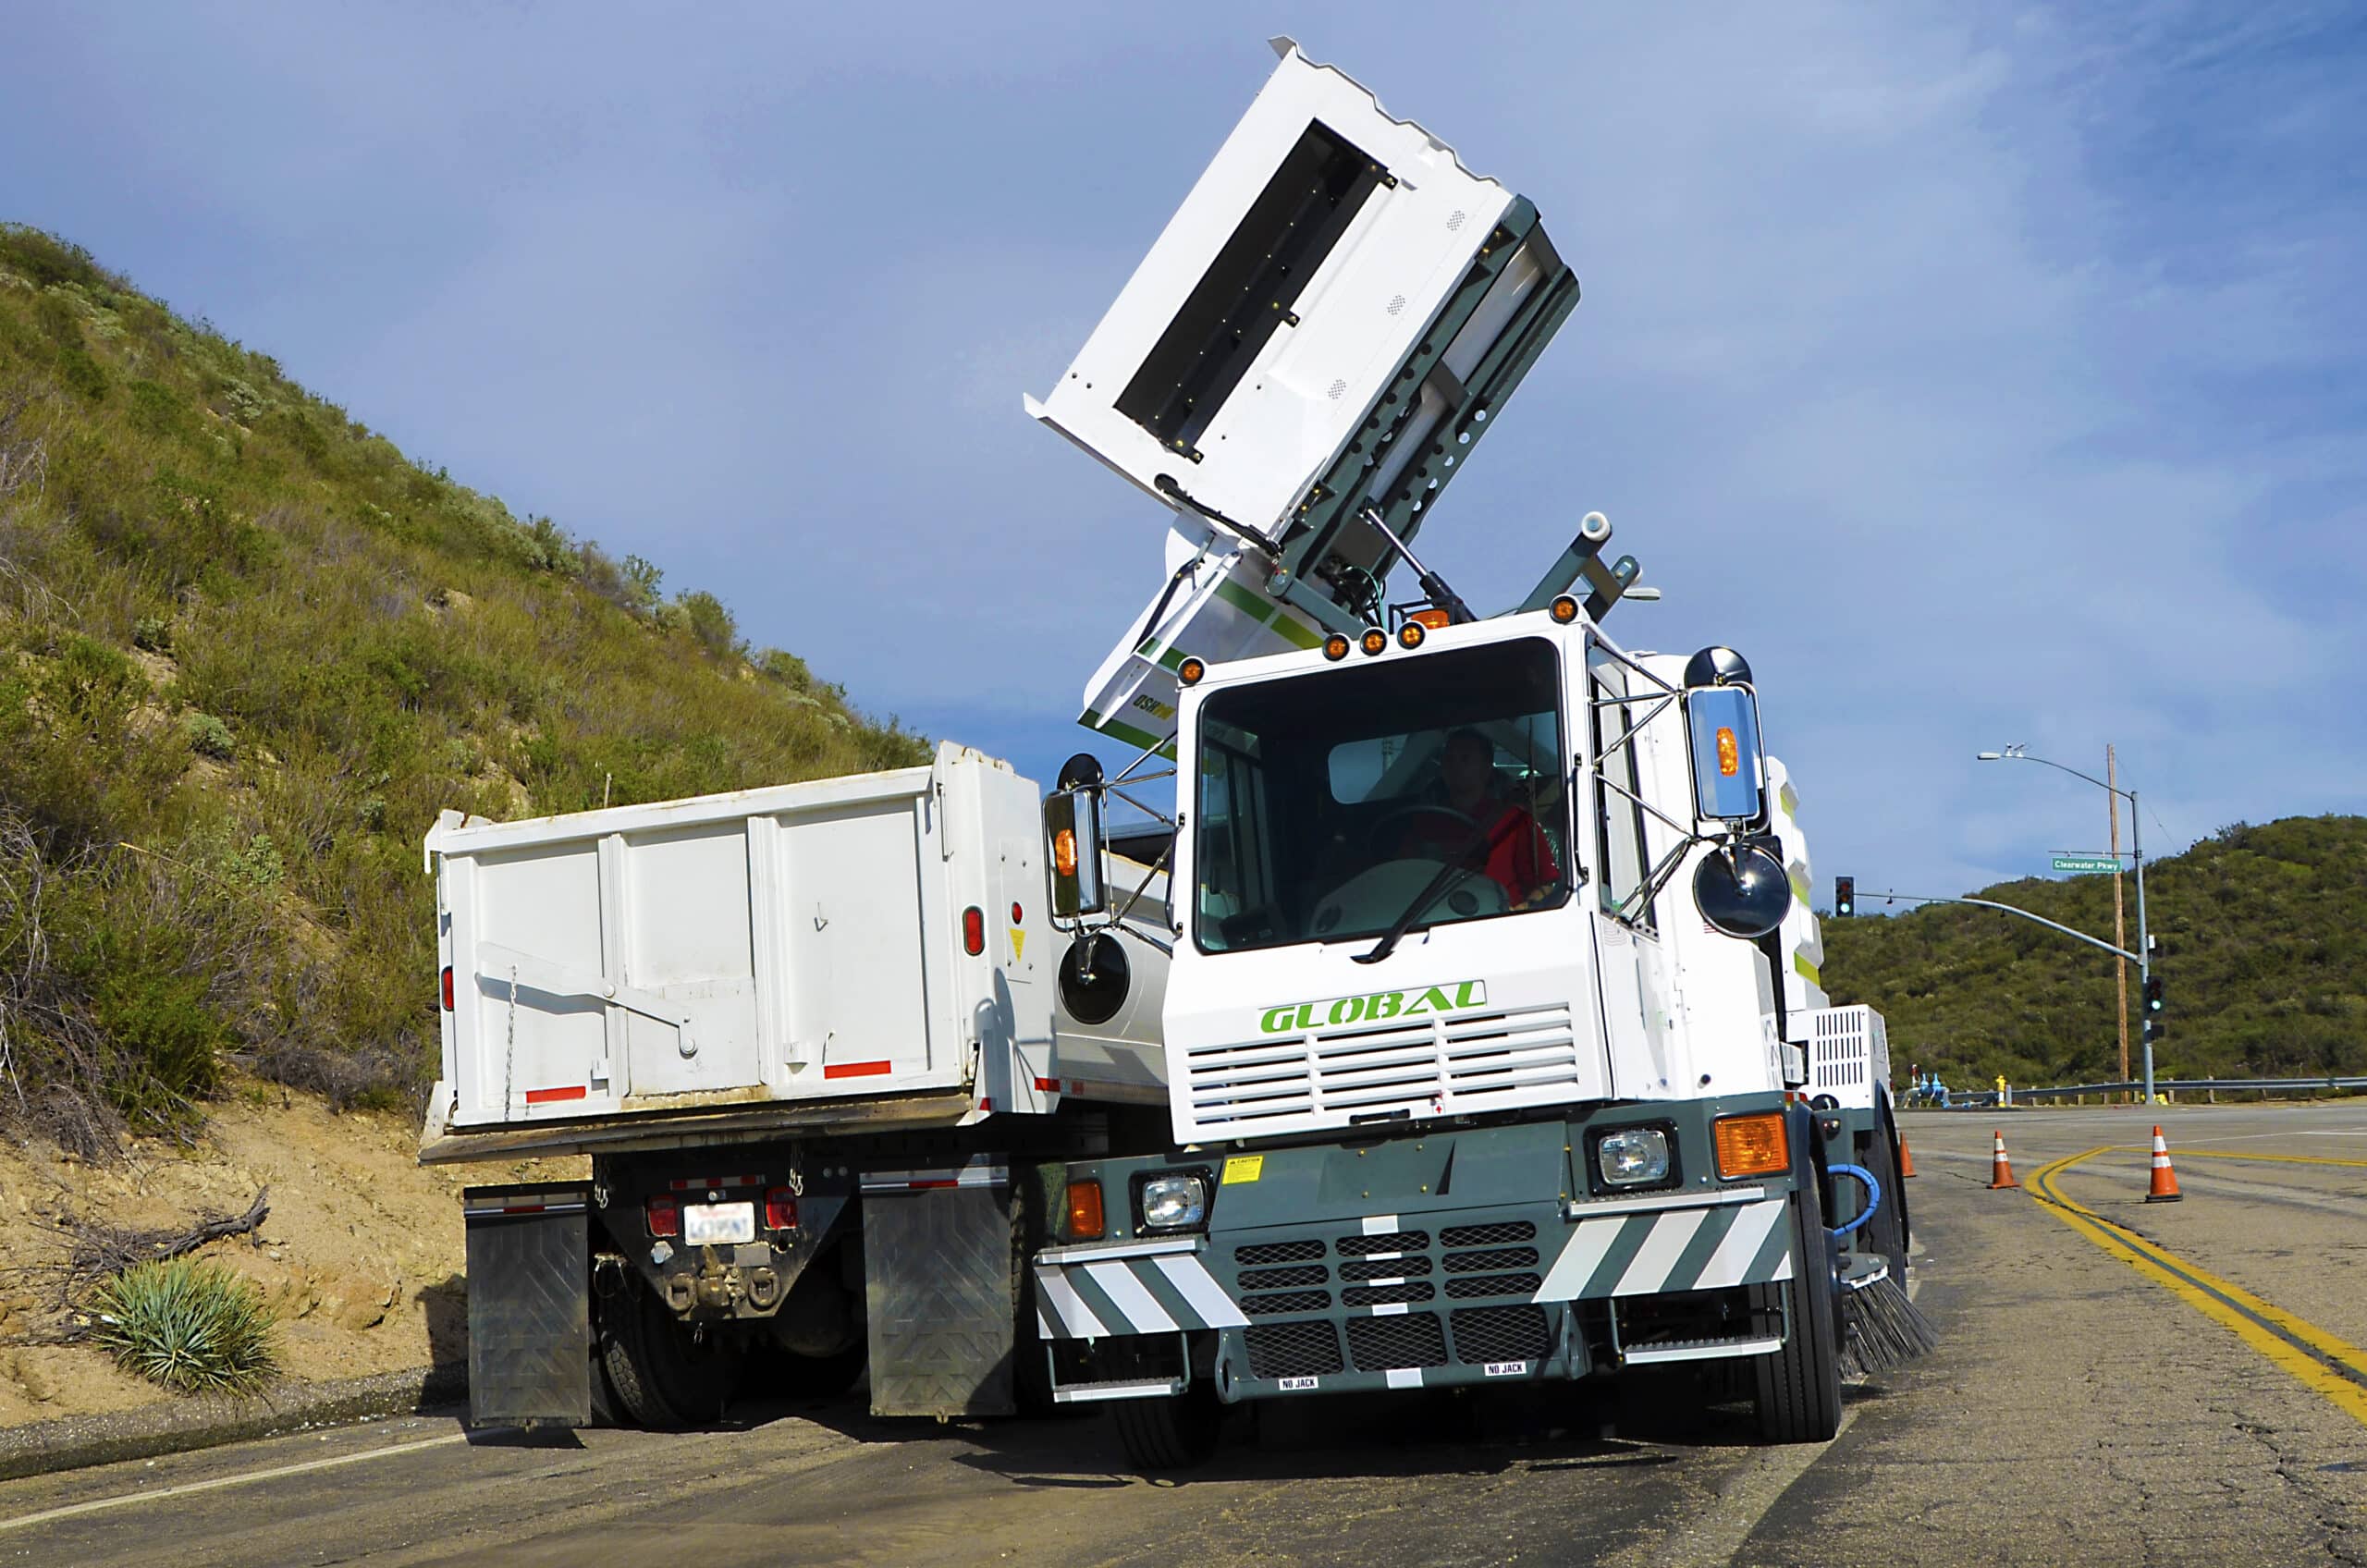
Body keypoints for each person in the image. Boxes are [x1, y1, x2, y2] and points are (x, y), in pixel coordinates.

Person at [1396, 729, 1556, 905]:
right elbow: (1404, 880)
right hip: (1432, 920)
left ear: (1487, 767)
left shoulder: (1514, 821)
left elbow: (1545, 886)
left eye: (1465, 758)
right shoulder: (1423, 823)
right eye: (1449, 759)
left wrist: (1520, 910)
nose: (1455, 765)